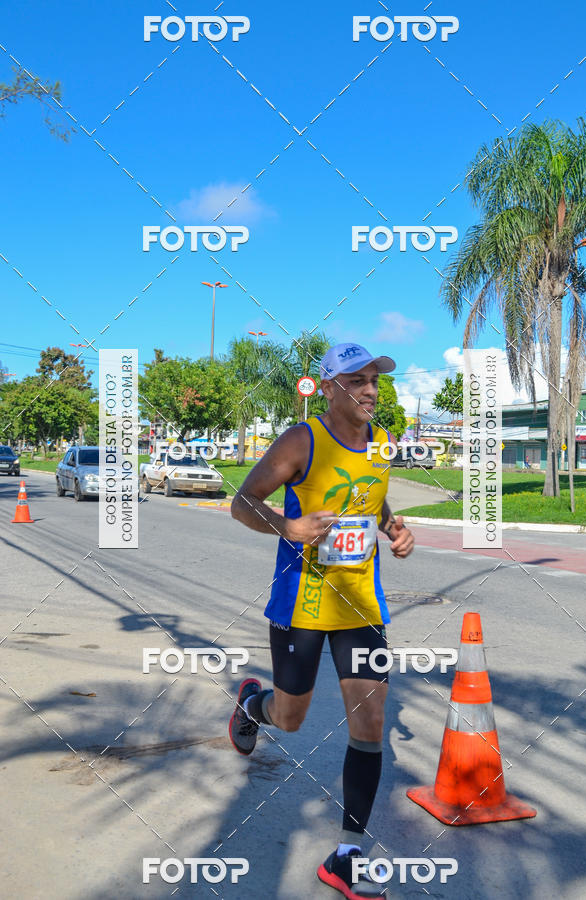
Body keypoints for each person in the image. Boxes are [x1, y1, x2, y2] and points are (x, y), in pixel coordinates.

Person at [229, 343, 415, 899]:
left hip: (362, 607)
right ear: (329, 387)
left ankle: (347, 855)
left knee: (371, 721)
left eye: (374, 381)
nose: (370, 391)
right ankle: (252, 705)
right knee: (290, 718)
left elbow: (371, 501)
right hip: (301, 608)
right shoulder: (301, 440)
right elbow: (244, 501)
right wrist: (287, 526)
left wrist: (393, 529)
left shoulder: (383, 445)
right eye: (357, 381)